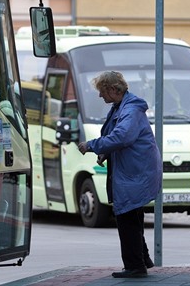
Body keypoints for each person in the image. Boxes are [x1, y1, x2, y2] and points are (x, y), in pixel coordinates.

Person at [77, 71, 162, 279]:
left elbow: (122, 136)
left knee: (127, 216)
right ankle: (142, 259)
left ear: (114, 90)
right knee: (131, 214)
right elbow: (116, 135)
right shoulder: (121, 107)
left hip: (135, 173)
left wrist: (92, 146)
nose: (100, 96)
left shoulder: (130, 110)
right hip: (132, 171)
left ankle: (135, 266)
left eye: (102, 91)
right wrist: (105, 153)